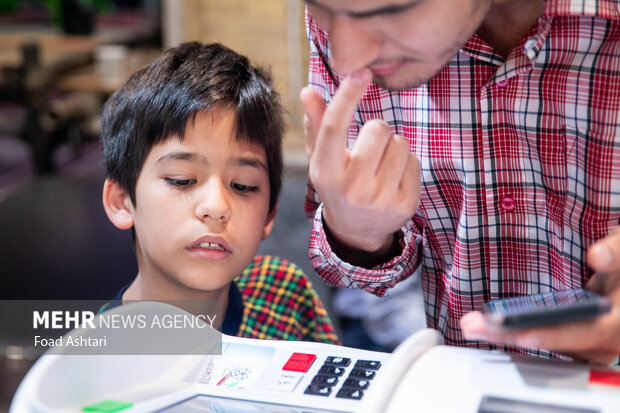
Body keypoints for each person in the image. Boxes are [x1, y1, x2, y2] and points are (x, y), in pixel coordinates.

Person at [300, 0, 620, 362]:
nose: (346, 57)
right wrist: (359, 234)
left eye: (390, 12)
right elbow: (354, 274)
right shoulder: (344, 16)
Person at [100, 41, 338, 344]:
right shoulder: (96, 356)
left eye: (243, 186)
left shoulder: (283, 292)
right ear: (121, 201)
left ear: (269, 214)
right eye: (181, 180)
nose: (216, 207)